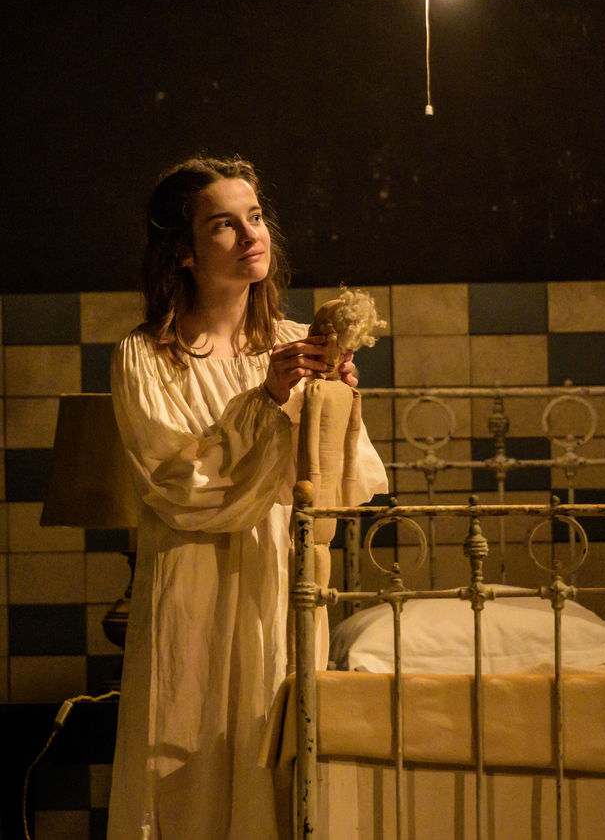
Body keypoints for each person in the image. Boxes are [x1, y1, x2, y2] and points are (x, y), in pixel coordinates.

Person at [106, 155, 388, 840]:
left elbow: (340, 490)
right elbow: (178, 485)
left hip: (280, 577)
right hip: (194, 580)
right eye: (223, 225)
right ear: (183, 250)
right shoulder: (146, 357)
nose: (250, 234)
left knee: (279, 747)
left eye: (254, 216)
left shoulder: (297, 344)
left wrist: (336, 405)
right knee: (188, 758)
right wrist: (264, 400)